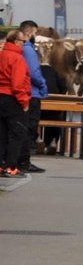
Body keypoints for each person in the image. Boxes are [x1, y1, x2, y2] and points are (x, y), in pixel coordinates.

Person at [17, 21, 48, 173]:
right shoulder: (28, 50)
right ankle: (24, 162)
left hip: (25, 92)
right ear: (29, 33)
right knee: (29, 129)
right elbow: (34, 72)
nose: (35, 36)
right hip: (32, 93)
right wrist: (43, 86)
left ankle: (19, 161)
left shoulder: (21, 48)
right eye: (35, 33)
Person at [0, 30, 31, 178]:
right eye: (23, 41)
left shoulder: (1, 54)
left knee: (2, 134)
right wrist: (24, 102)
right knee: (17, 134)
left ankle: (1, 166)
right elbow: (18, 84)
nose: (24, 44)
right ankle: (10, 167)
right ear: (16, 42)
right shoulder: (17, 58)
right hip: (12, 99)